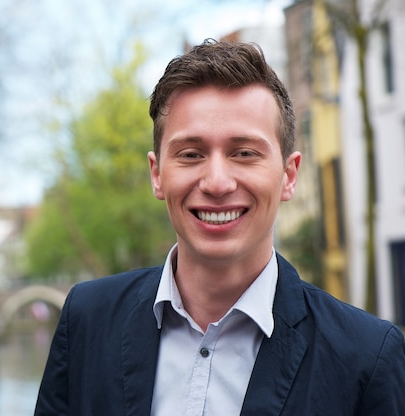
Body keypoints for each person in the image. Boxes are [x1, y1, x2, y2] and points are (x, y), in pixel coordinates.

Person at [34, 39, 405, 415]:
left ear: (288, 176)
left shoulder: (366, 358)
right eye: (191, 154)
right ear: (157, 174)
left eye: (244, 153)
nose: (216, 182)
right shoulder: (86, 321)